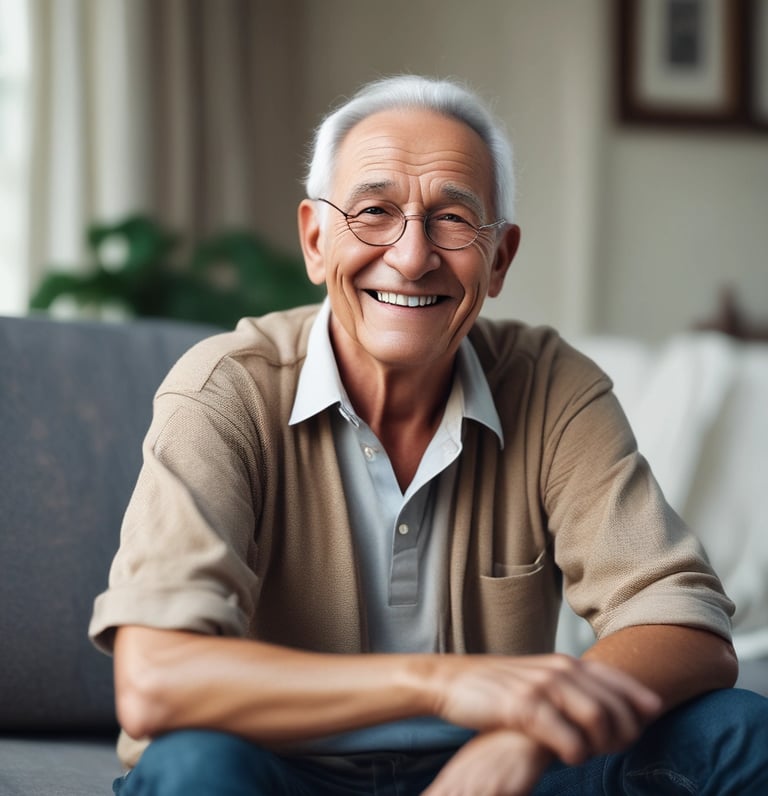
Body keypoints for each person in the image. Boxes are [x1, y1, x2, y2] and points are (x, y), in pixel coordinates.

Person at [89, 75, 768, 795]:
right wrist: (440, 685)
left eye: (452, 219)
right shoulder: (225, 390)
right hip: (280, 771)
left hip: (497, 774)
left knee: (736, 733)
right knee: (196, 769)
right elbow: (155, 681)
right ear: (316, 241)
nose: (412, 256)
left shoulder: (554, 387)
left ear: (499, 258)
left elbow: (687, 626)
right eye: (375, 212)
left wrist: (524, 736)